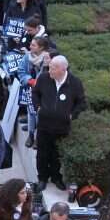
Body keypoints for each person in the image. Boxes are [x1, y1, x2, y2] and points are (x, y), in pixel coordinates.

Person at [31, 55, 86, 191]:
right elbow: (35, 93)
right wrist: (37, 107)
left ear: (63, 69)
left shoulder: (75, 83)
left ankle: (56, 177)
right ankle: (42, 178)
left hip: (62, 128)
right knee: (42, 153)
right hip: (44, 125)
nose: (49, 71)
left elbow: (81, 102)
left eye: (53, 69)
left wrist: (72, 115)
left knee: (57, 154)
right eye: (49, 68)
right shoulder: (44, 78)